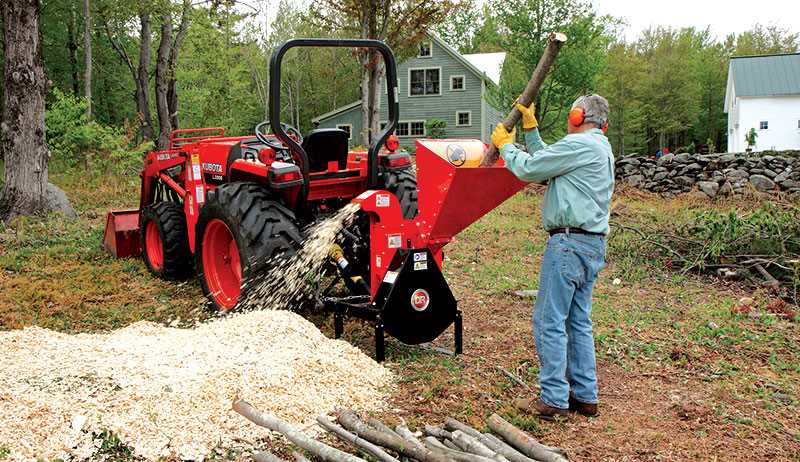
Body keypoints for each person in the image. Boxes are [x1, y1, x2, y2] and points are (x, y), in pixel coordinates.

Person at [490, 94, 615, 419]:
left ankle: (554, 399)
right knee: (578, 321)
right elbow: (550, 159)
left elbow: (532, 168)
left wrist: (506, 146)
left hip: (569, 244)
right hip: (592, 244)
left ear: (577, 116)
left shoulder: (580, 146)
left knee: (549, 320)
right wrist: (531, 130)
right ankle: (585, 396)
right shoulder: (600, 147)